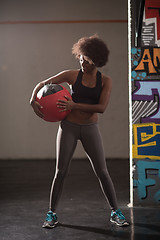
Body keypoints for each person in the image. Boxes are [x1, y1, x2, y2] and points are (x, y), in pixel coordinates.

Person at [30, 35, 129, 228]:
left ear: (96, 61)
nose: (82, 62)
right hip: (69, 127)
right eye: (81, 58)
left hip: (90, 128)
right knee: (60, 171)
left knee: (102, 171)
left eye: (86, 59)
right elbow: (43, 83)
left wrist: (74, 105)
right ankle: (52, 214)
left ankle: (115, 212)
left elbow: (101, 108)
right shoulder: (72, 75)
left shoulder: (105, 81)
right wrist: (32, 99)